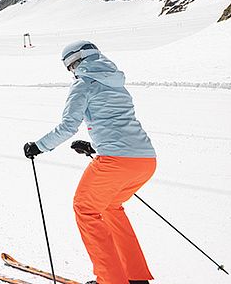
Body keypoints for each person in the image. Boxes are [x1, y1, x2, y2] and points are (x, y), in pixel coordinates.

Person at [23, 41, 156, 284]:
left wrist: (38, 146)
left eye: (69, 67)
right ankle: (135, 276)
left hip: (116, 161)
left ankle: (111, 280)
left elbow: (68, 126)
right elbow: (118, 122)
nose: (71, 72)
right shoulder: (116, 83)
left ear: (75, 62)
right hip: (145, 160)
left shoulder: (83, 84)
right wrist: (95, 146)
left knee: (85, 209)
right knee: (110, 207)